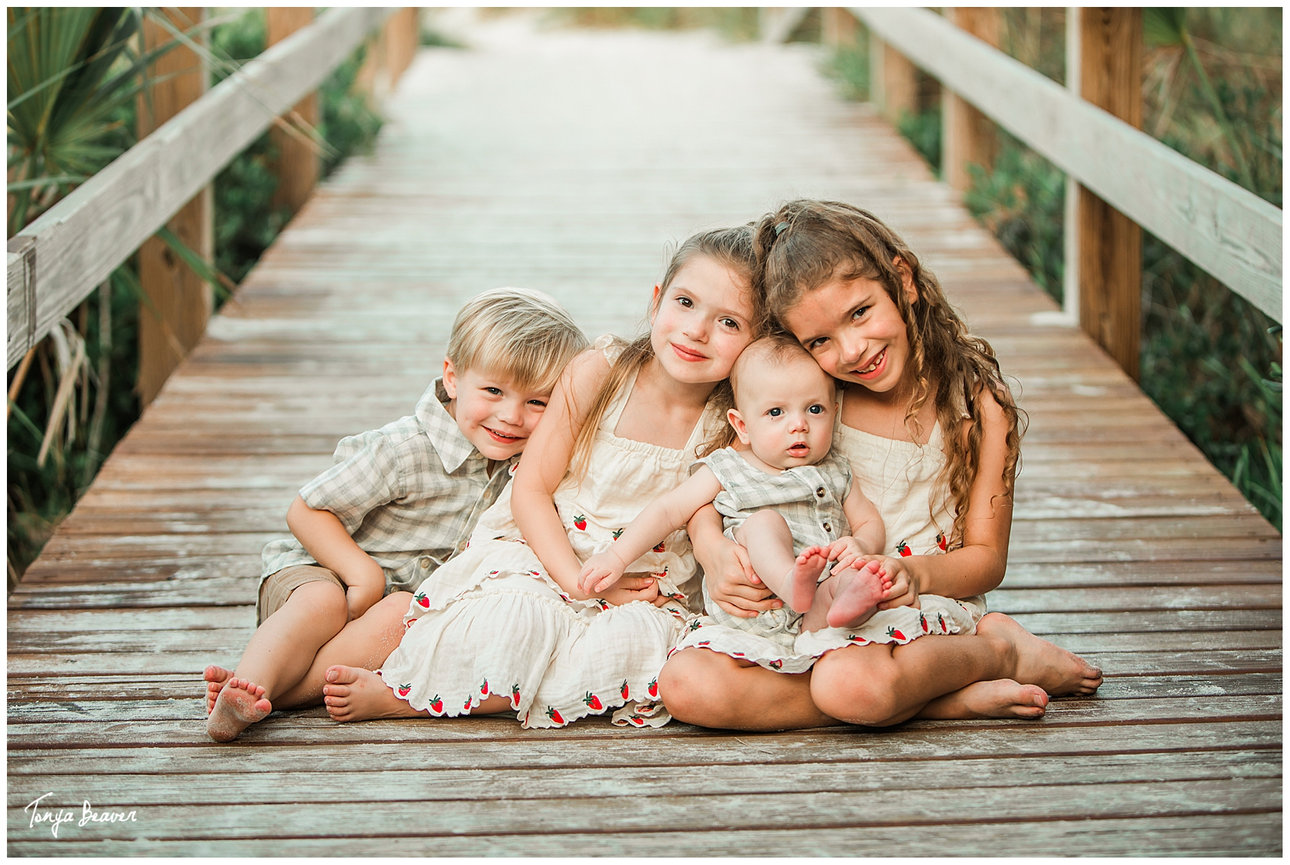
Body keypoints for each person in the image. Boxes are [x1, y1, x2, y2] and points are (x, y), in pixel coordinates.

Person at [659, 199, 1103, 730]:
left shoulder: (975, 407)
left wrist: (910, 573)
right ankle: (939, 701)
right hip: (804, 613)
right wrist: (712, 548)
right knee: (686, 685)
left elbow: (986, 558)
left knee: (846, 683)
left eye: (860, 312)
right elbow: (725, 478)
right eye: (819, 340)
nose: (851, 350)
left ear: (903, 281)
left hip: (914, 609)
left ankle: (998, 653)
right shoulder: (815, 398)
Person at [319, 225, 759, 729]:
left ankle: (408, 696)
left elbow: (702, 508)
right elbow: (531, 490)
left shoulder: (732, 419)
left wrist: (712, 555)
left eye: (728, 321)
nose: (697, 330)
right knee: (513, 622)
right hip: (545, 554)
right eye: (685, 302)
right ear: (657, 299)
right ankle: (371, 686)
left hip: (644, 582)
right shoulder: (601, 371)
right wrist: (577, 581)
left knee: (630, 651)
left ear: (755, 341)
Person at [204, 288, 588, 742]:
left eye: (537, 402)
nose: (511, 416)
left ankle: (264, 696)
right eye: (493, 391)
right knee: (323, 603)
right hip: (316, 573)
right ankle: (249, 684)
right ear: (452, 378)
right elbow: (306, 511)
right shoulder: (404, 448)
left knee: (402, 613)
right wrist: (360, 573)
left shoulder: (529, 467)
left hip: (390, 614)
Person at [578, 333, 894, 659]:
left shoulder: (836, 470)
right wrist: (616, 557)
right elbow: (669, 510)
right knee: (763, 523)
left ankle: (841, 614)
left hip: (817, 606)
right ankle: (789, 580)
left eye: (815, 409)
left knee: (853, 578)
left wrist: (863, 546)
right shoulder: (729, 466)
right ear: (742, 425)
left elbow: (868, 519)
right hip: (755, 604)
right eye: (776, 413)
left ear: (833, 412)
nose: (799, 425)